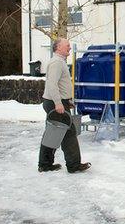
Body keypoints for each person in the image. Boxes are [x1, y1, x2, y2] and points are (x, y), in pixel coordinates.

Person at [38, 38, 90, 174]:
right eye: (67, 46)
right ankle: (73, 165)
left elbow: (59, 84)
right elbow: (52, 84)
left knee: (53, 133)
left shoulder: (59, 61)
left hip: (58, 102)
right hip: (55, 103)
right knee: (69, 133)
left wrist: (66, 101)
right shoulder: (56, 62)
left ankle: (45, 164)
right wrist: (58, 103)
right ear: (58, 48)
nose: (69, 48)